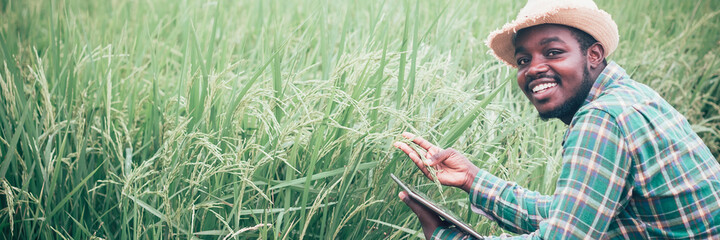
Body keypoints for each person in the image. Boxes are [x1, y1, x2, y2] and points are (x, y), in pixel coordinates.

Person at [393, 0, 720, 239]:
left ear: (594, 54)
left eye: (553, 52)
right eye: (523, 59)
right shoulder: (630, 95)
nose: (533, 68)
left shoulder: (603, 118)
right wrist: (472, 178)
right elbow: (568, 215)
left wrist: (445, 237)